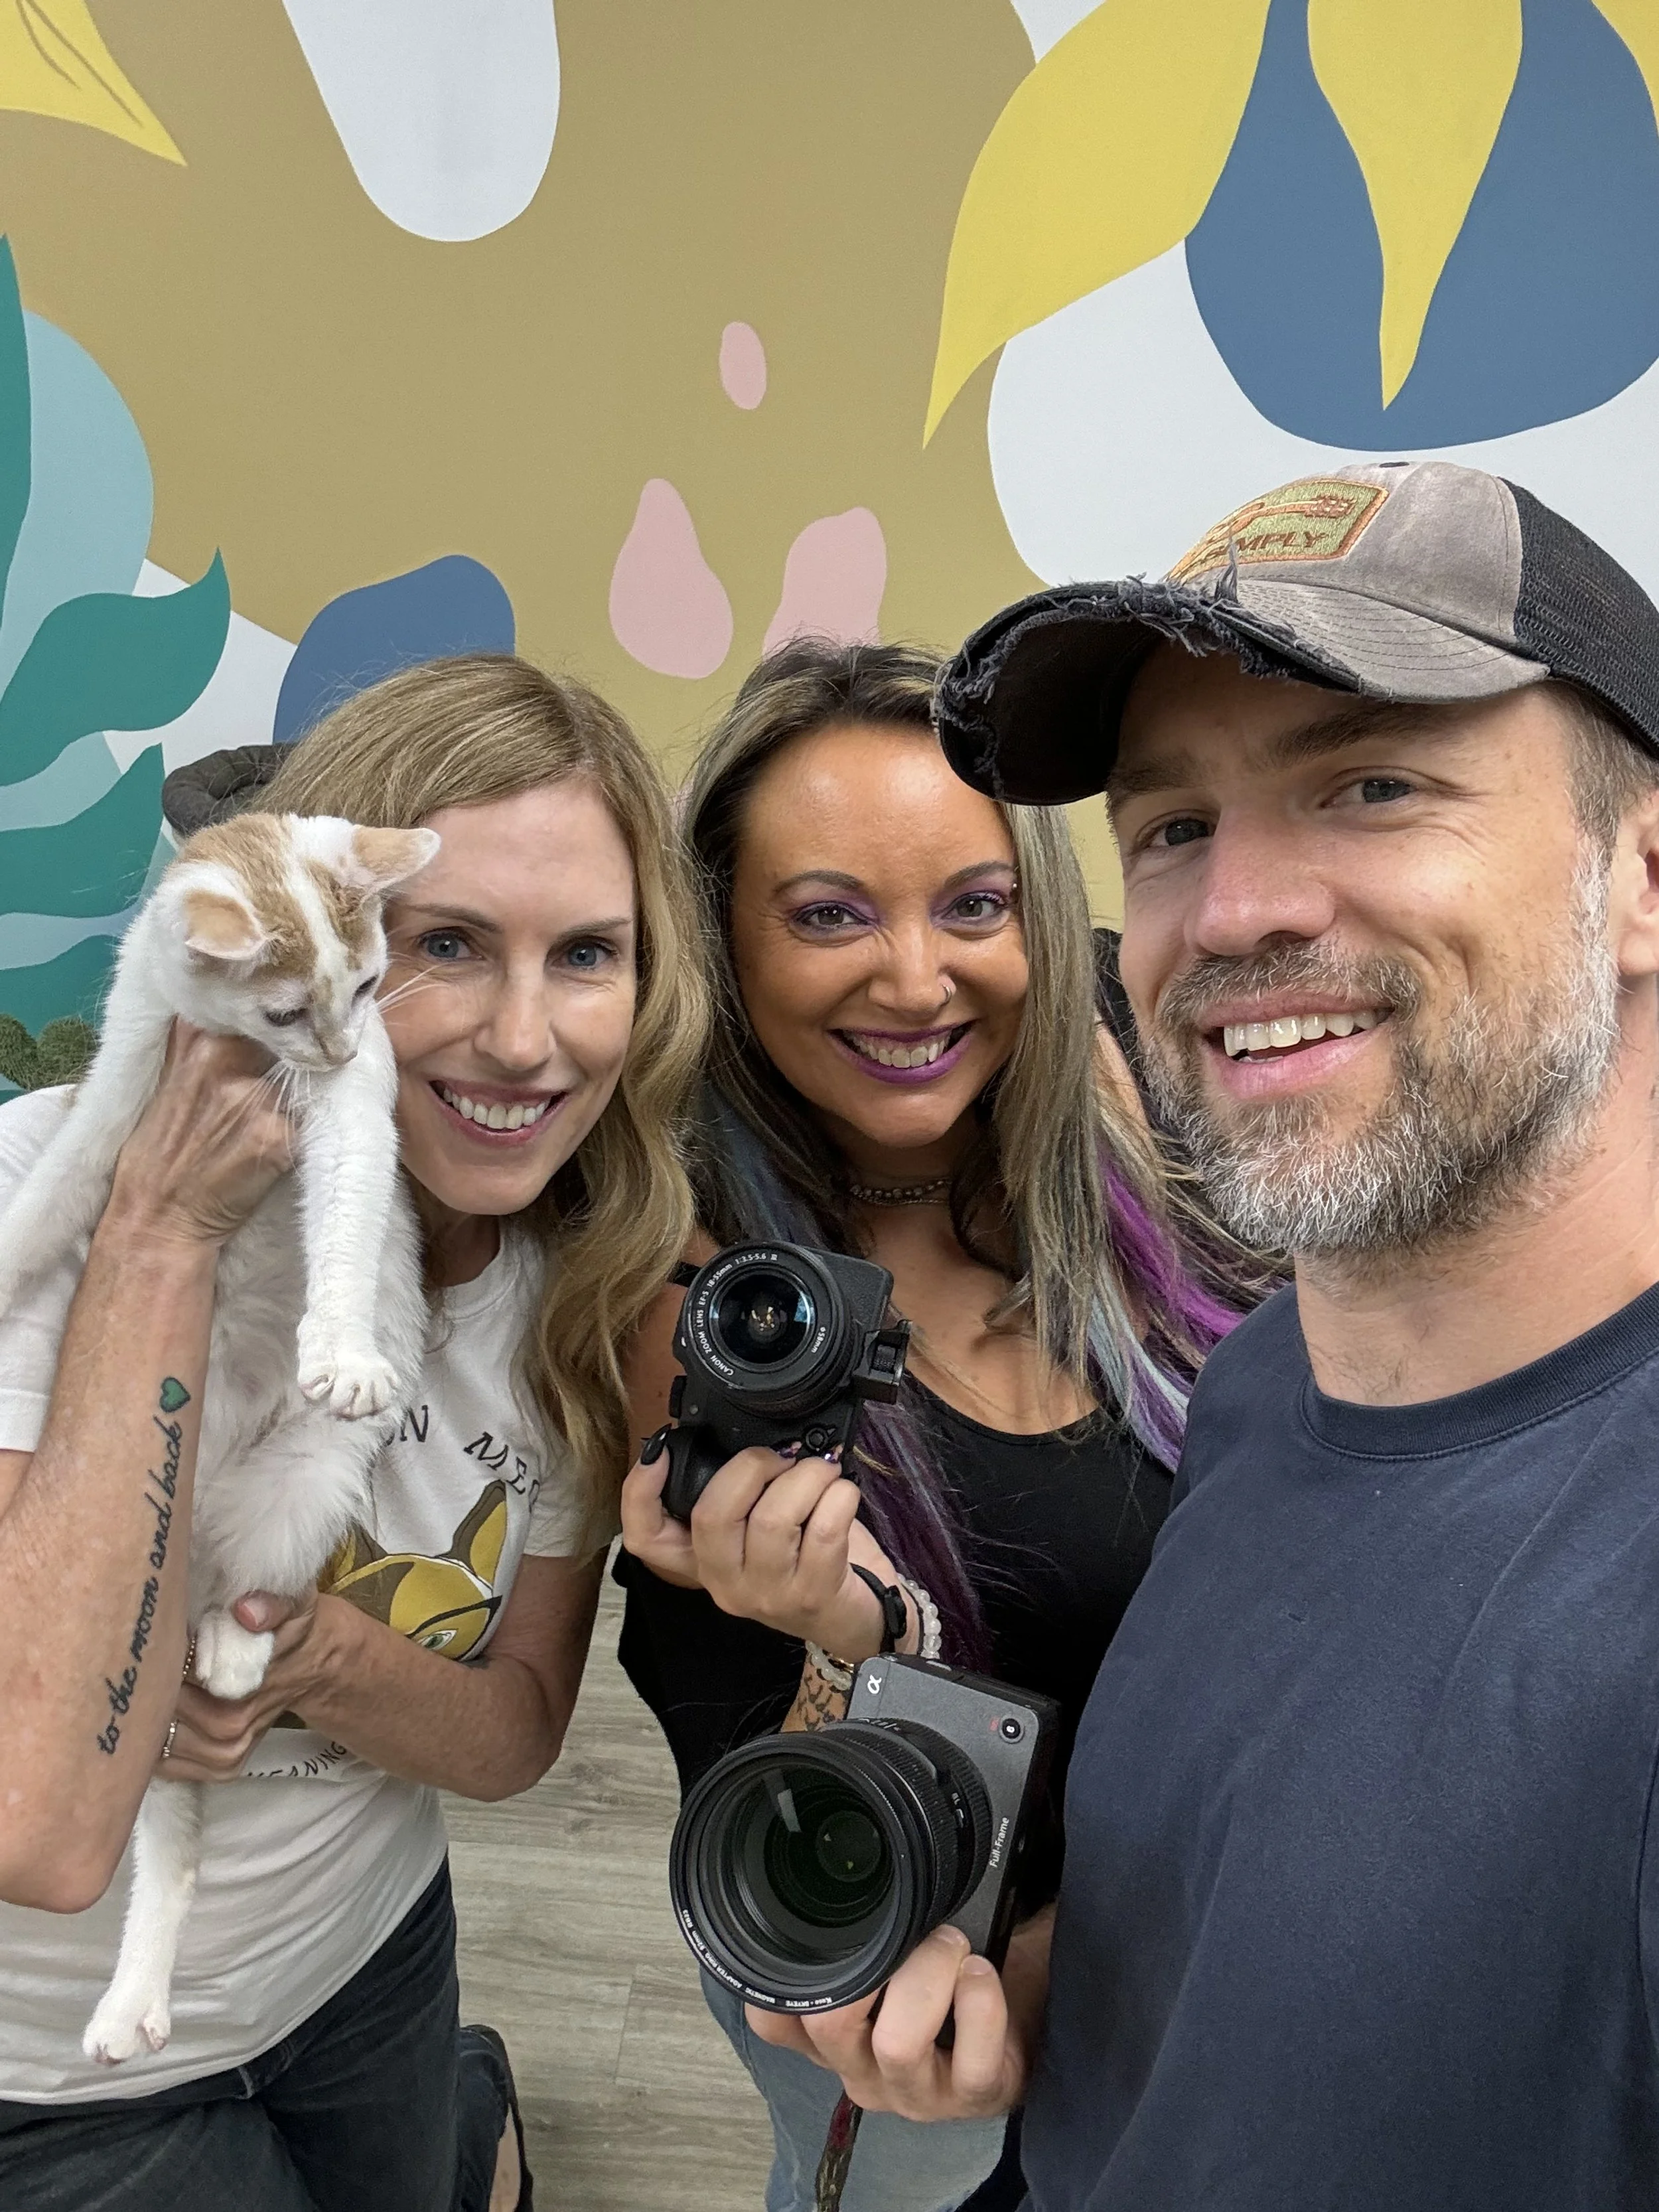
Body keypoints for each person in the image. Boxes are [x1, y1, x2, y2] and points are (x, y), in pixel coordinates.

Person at [751, 460, 1659, 2208]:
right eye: (1170, 826)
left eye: (1371, 784)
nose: (1231, 913)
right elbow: (1223, 1930)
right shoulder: (1261, 1377)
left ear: (1640, 875)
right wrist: (1014, 1998)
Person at [0, 653, 705, 2212]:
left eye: (587, 953)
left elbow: (513, 1736)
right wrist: (168, 1228)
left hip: (364, 1968)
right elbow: (33, 1822)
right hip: (50, 2078)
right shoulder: (37, 1192)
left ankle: (472, 2118)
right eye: (444, 943)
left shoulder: (575, 1298)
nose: (524, 1038)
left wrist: (308, 1654)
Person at [615, 641, 1238, 2212]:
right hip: (934, 2008)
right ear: (723, 942)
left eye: (973, 905)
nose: (913, 980)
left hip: (1224, 1927)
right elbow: (782, 1834)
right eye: (828, 914)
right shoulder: (705, 1306)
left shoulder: (1135, 1084)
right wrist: (845, 1637)